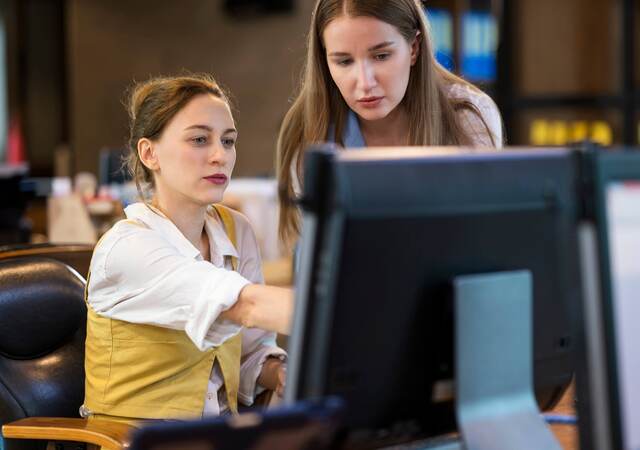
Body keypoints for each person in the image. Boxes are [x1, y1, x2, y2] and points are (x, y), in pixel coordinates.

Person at [81, 74, 293, 423]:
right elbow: (245, 305)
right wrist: (347, 316)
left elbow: (249, 352)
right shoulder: (126, 247)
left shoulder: (237, 231)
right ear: (149, 153)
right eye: (199, 139)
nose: (219, 156)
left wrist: (281, 374)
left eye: (228, 141)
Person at [277, 0, 504, 246]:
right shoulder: (309, 130)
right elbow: (317, 254)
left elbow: (482, 239)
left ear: (414, 48)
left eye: (381, 56)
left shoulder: (467, 115)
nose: (364, 83)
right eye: (344, 61)